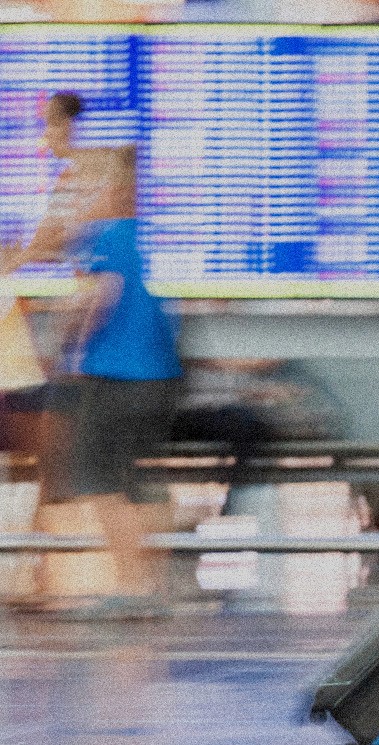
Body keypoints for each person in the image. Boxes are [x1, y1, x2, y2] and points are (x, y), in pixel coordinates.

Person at [0, 92, 183, 618]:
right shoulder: (119, 223)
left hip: (113, 369)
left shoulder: (99, 209)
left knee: (99, 477)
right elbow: (51, 246)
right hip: (143, 370)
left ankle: (128, 584)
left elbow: (92, 288)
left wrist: (68, 346)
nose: (44, 139)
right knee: (114, 478)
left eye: (49, 127)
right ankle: (139, 582)